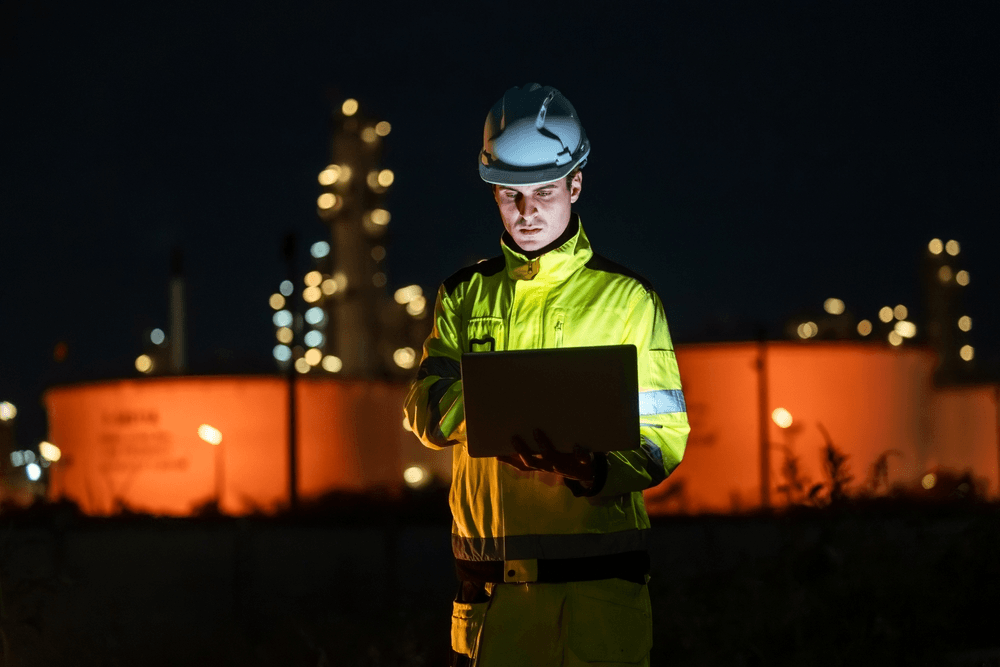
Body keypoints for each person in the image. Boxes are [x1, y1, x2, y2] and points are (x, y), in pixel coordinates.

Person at [403, 83, 689, 667]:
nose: (527, 211)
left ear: (575, 185)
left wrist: (594, 471)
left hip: (601, 597)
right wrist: (486, 416)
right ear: (492, 192)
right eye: (510, 194)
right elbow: (424, 408)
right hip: (494, 597)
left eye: (543, 191)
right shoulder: (463, 296)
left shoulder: (628, 300)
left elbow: (665, 438)